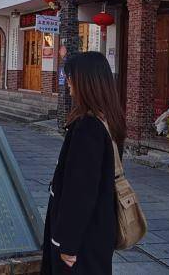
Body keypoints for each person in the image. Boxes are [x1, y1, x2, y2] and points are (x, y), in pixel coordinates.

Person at [42, 51, 126, 275]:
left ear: (85, 81)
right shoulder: (110, 120)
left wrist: (67, 244)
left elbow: (80, 192)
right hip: (99, 228)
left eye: (71, 78)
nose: (68, 83)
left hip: (82, 238)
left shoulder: (88, 128)